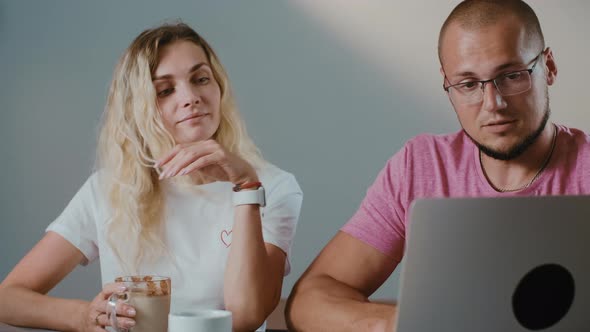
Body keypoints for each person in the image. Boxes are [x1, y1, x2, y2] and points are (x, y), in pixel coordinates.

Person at [286, 0, 590, 331]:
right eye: (469, 84)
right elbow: (309, 300)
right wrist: (407, 324)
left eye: (512, 75)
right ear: (448, 85)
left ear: (549, 67)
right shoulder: (420, 166)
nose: (494, 104)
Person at [0, 22, 302, 332]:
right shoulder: (109, 189)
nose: (191, 97)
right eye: (165, 90)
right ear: (138, 108)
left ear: (219, 88)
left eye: (201, 79)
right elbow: (8, 299)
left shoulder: (274, 187)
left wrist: (246, 188)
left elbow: (246, 317)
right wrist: (83, 316)